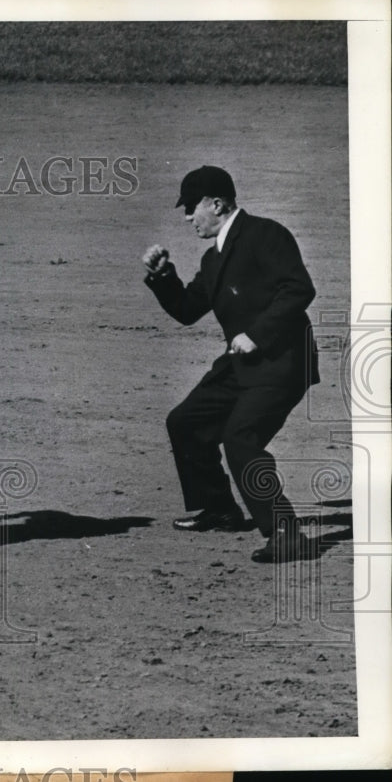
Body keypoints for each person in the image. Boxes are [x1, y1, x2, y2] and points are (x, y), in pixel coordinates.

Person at [142, 165, 320, 563]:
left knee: (241, 438)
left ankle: (285, 533)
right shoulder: (213, 258)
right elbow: (188, 310)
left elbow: (299, 289)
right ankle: (220, 508)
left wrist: (257, 333)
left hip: (283, 363)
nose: (188, 217)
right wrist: (163, 276)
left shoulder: (265, 235)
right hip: (242, 366)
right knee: (185, 421)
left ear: (217, 204)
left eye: (192, 207)